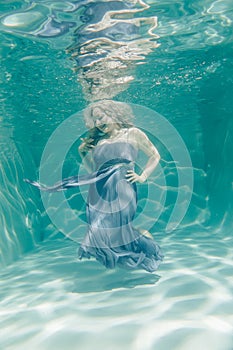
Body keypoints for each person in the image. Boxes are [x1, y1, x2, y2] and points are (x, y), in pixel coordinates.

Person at [25, 100, 163, 272]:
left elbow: (155, 155)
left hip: (123, 187)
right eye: (94, 121)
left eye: (100, 117)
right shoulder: (100, 142)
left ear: (113, 113)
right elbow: (94, 171)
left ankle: (147, 247)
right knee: (112, 231)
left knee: (107, 229)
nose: (98, 123)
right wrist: (83, 153)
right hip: (99, 191)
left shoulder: (132, 133)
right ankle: (146, 243)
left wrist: (142, 176)